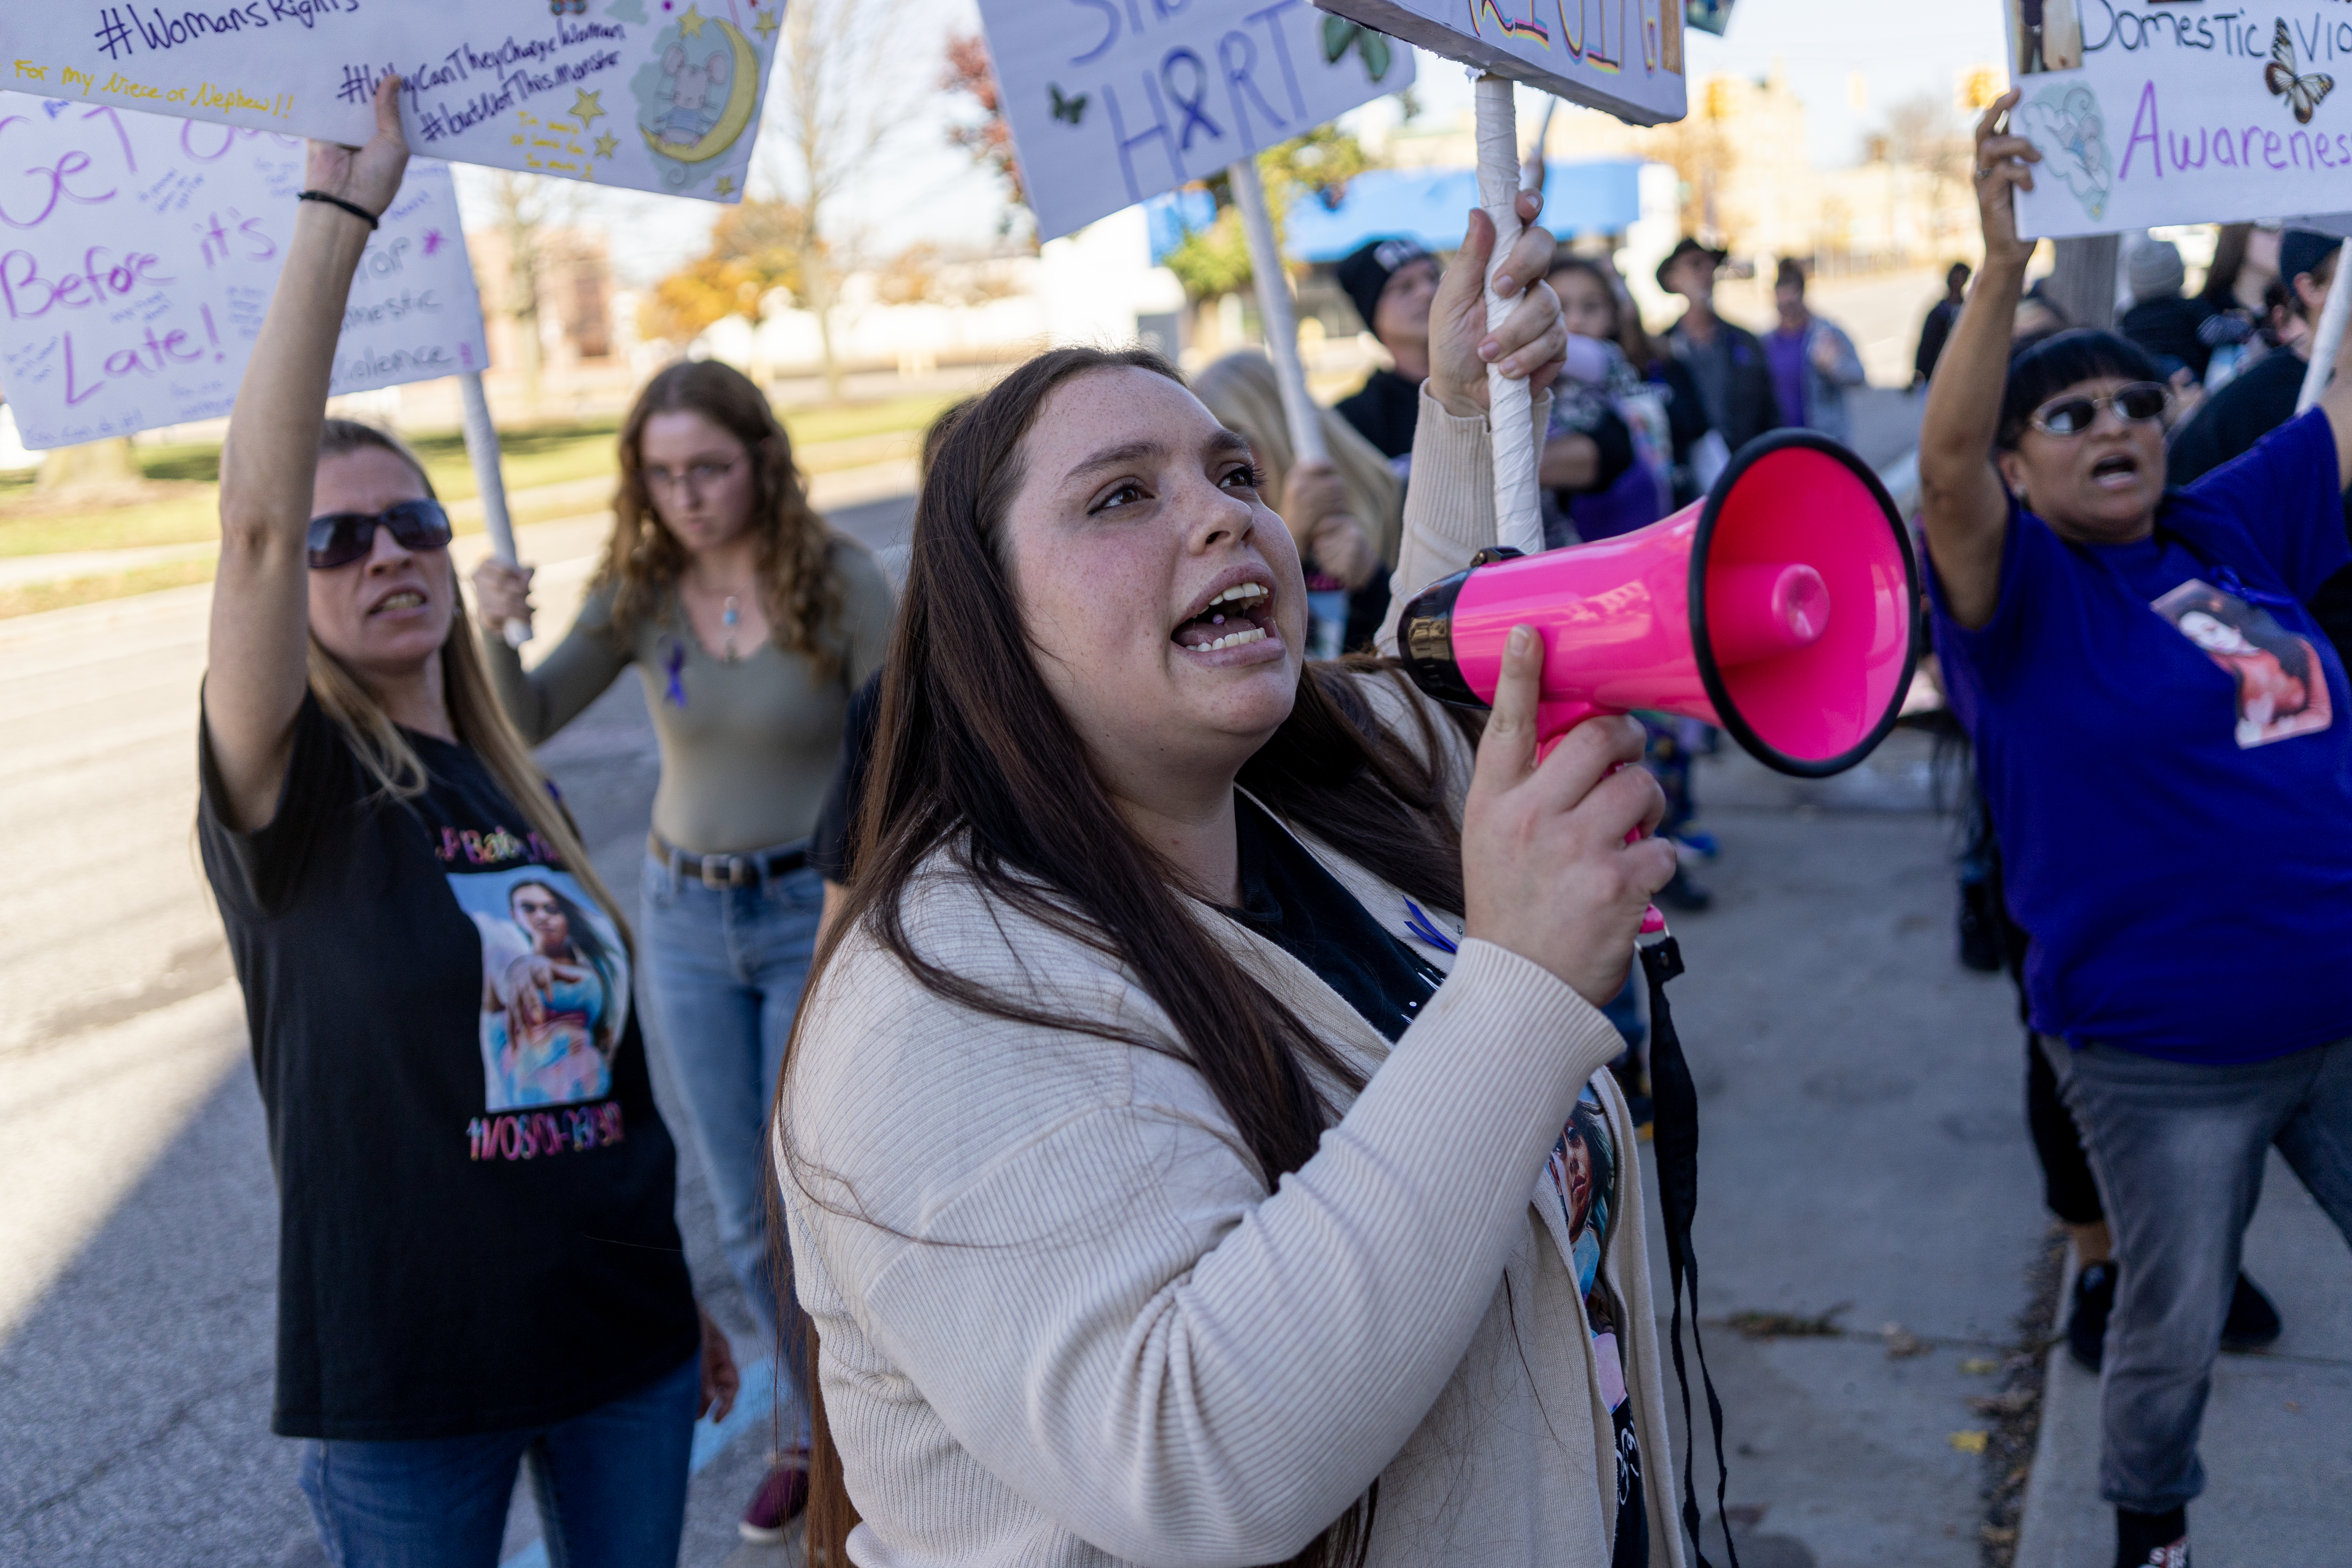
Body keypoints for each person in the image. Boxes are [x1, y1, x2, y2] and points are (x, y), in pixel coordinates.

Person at [779, 195, 1692, 1568]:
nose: (1223, 516)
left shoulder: (1290, 803)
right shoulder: (932, 1006)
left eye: (1234, 475)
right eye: (1122, 496)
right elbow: (1195, 1458)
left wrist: (1459, 407)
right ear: (988, 619)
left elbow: (1443, 698)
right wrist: (1517, 989)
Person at [197, 80, 733, 1567]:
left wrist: (672, 1286)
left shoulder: (516, 782)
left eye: (415, 522)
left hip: (623, 1352)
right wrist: (336, 218)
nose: (387, 553)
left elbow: (604, 1086)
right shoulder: (292, 790)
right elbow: (250, 525)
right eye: (339, 538)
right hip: (415, 1384)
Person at [1922, 91, 2352, 1568]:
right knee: (2168, 1327)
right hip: (2161, 1057)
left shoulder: (2228, 527)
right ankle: (2149, 1533)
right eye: (2069, 414)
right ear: (2019, 467)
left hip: (2337, 1012)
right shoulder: (2014, 600)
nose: (2114, 422)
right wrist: (2001, 268)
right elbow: (1940, 469)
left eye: (2132, 404)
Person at [470, 356, 893, 1541]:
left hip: (812, 906)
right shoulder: (640, 588)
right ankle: (811, 1430)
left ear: (760, 458)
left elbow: (907, 740)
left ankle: (882, 1421)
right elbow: (524, 719)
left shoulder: (840, 581)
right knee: (742, 1201)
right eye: (662, 475)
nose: (688, 495)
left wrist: (862, 893)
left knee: (819, 1179)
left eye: (709, 467)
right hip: (686, 917)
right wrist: (493, 627)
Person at [1194, 350, 1393, 657]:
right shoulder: (1220, 538)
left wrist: (1373, 581)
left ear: (1275, 429)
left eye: (1232, 446)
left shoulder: (1393, 497)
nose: (1217, 473)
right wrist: (1289, 541)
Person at [1659, 236, 1782, 459]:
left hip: (1744, 466)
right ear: (1672, 279)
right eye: (1696, 265)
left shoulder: (1745, 341)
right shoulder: (1661, 349)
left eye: (1712, 265)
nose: (1707, 273)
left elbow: (1771, 413)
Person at [1334, 235, 1442, 470]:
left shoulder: (1497, 373)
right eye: (1404, 287)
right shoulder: (1354, 420)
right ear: (1373, 313)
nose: (1428, 292)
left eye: (1434, 277)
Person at [1762, 258, 1867, 443]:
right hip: (1782, 442)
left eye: (1790, 303)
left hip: (1823, 441)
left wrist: (1833, 365)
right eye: (1781, 303)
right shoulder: (1766, 341)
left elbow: (1859, 376)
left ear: (1802, 295)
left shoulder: (1826, 334)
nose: (1786, 310)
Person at [2116, 239, 2216, 383]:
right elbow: (2213, 333)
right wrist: (2240, 328)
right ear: (2179, 272)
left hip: (2143, 375)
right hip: (2185, 374)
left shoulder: (2129, 315)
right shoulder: (2191, 307)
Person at [1914, 262, 1972, 388]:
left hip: (1962, 373)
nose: (1958, 282)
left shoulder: (1969, 309)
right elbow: (1926, 344)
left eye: (1962, 278)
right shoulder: (1938, 312)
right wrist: (1919, 371)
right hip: (1937, 372)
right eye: (1955, 278)